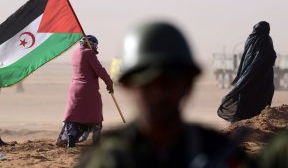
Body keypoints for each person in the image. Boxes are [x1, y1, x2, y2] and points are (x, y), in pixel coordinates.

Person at [77, 22, 256, 167]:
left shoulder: (220, 152)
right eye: (147, 85)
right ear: (129, 87)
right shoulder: (106, 158)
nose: (158, 95)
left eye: (168, 84)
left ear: (188, 85)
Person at [55, 35, 114, 148]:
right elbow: (99, 70)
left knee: (73, 117)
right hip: (88, 89)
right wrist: (109, 83)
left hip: (74, 89)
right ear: (92, 44)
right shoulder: (88, 53)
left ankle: (70, 143)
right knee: (95, 117)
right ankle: (96, 143)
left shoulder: (75, 53)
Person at [217, 21, 277, 122]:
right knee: (258, 98)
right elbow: (270, 57)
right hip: (261, 76)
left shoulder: (250, 39)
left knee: (248, 96)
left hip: (250, 74)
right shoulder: (265, 39)